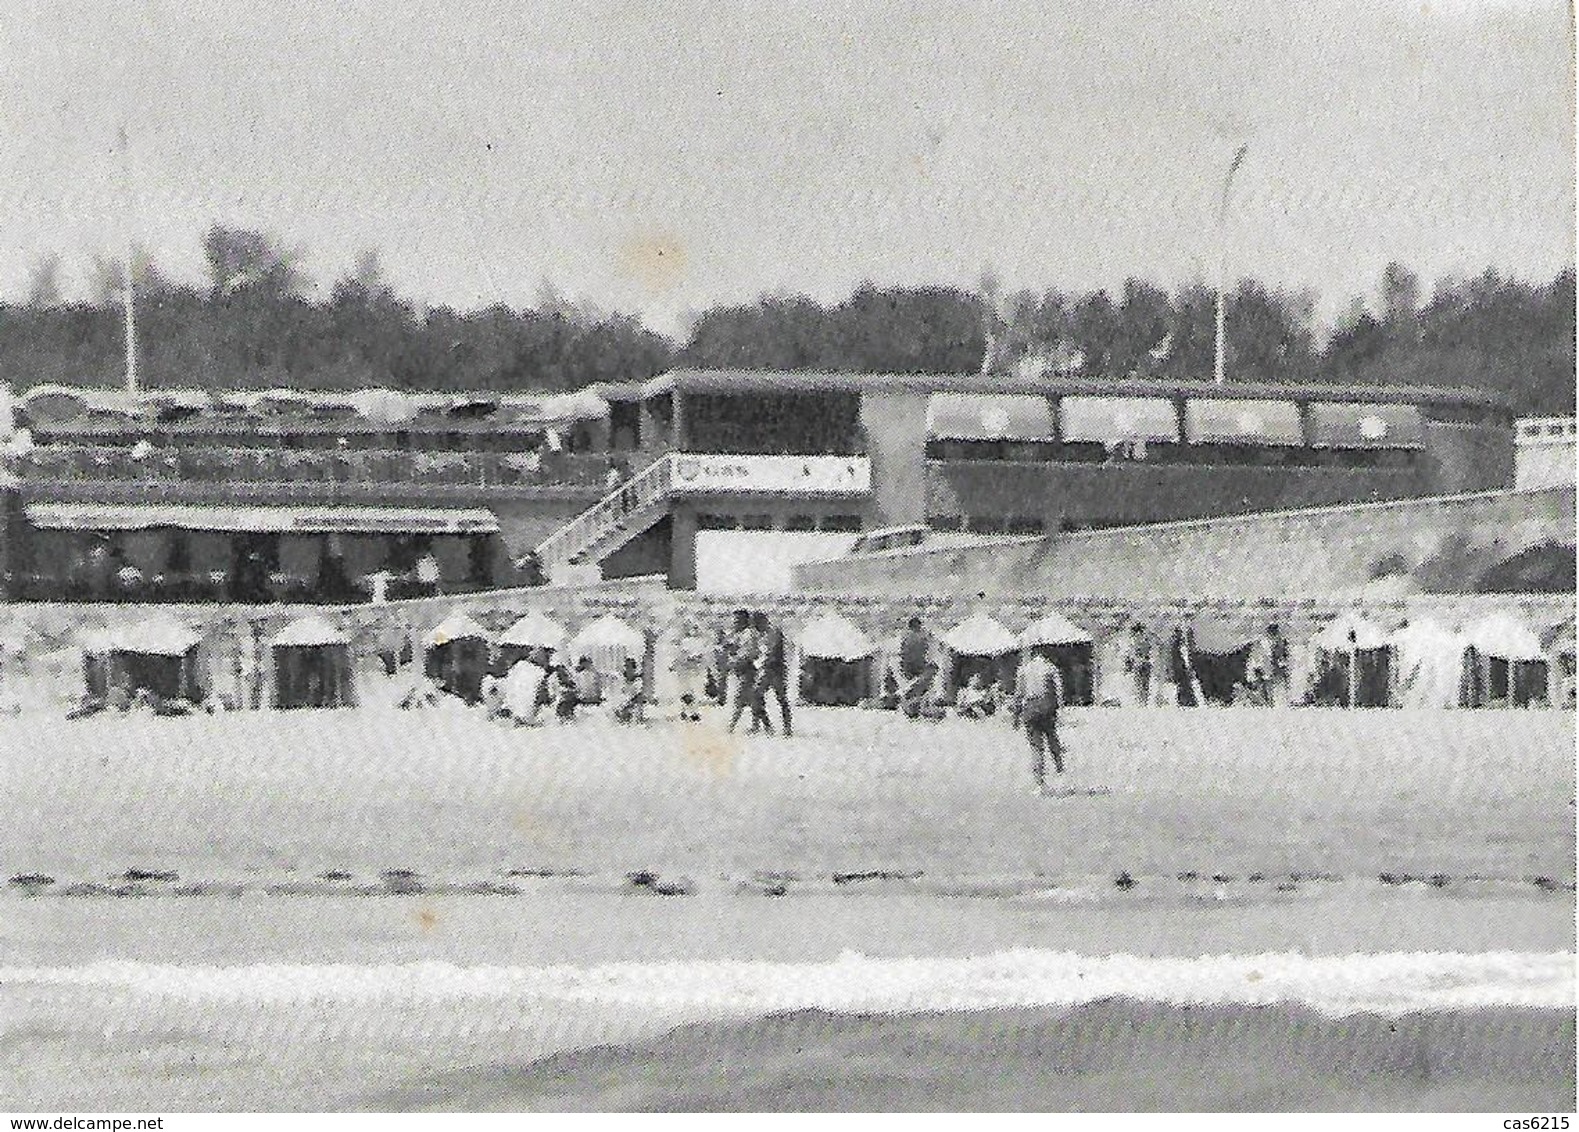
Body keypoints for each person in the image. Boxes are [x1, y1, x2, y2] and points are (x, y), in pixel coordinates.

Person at [1014, 645, 1066, 791]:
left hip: (1030, 706)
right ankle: (1059, 768)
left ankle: (1039, 782)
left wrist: (1016, 716)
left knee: (1036, 746)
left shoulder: (1024, 670)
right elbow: (1059, 690)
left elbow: (1018, 694)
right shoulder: (1050, 668)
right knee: (1051, 736)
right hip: (1047, 705)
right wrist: (1060, 710)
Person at [725, 610, 769, 733]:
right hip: (743, 670)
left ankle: (732, 727)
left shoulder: (749, 635)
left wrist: (735, 660)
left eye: (737, 620)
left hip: (748, 669)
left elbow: (750, 654)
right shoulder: (741, 634)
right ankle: (763, 726)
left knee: (741, 698)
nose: (734, 623)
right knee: (752, 700)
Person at [751, 611, 792, 738]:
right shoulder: (761, 636)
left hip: (776, 670)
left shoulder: (774, 633)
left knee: (781, 699)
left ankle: (787, 727)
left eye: (756, 623)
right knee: (756, 696)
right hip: (766, 669)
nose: (755, 627)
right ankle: (765, 725)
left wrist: (763, 662)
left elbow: (774, 652)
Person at [897, 616, 936, 719]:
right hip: (918, 666)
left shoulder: (906, 637)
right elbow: (930, 649)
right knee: (927, 678)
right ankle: (919, 702)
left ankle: (917, 702)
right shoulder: (923, 636)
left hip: (910, 667)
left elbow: (903, 653)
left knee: (922, 683)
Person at [611, 656, 646, 724]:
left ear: (633, 668)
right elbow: (617, 693)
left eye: (629, 666)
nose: (627, 669)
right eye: (626, 666)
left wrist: (628, 706)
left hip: (633, 704)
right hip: (622, 702)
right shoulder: (620, 679)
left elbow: (638, 696)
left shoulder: (638, 681)